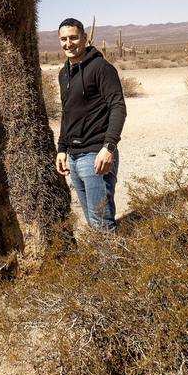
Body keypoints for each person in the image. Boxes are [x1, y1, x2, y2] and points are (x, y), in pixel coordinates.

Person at [55, 18, 126, 230]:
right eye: (64, 39)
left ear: (85, 38)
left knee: (102, 223)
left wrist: (109, 147)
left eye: (74, 38)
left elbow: (118, 107)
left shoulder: (101, 68)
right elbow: (67, 113)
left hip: (96, 156)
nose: (69, 43)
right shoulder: (64, 73)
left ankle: (113, 264)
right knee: (93, 222)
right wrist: (61, 149)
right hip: (74, 157)